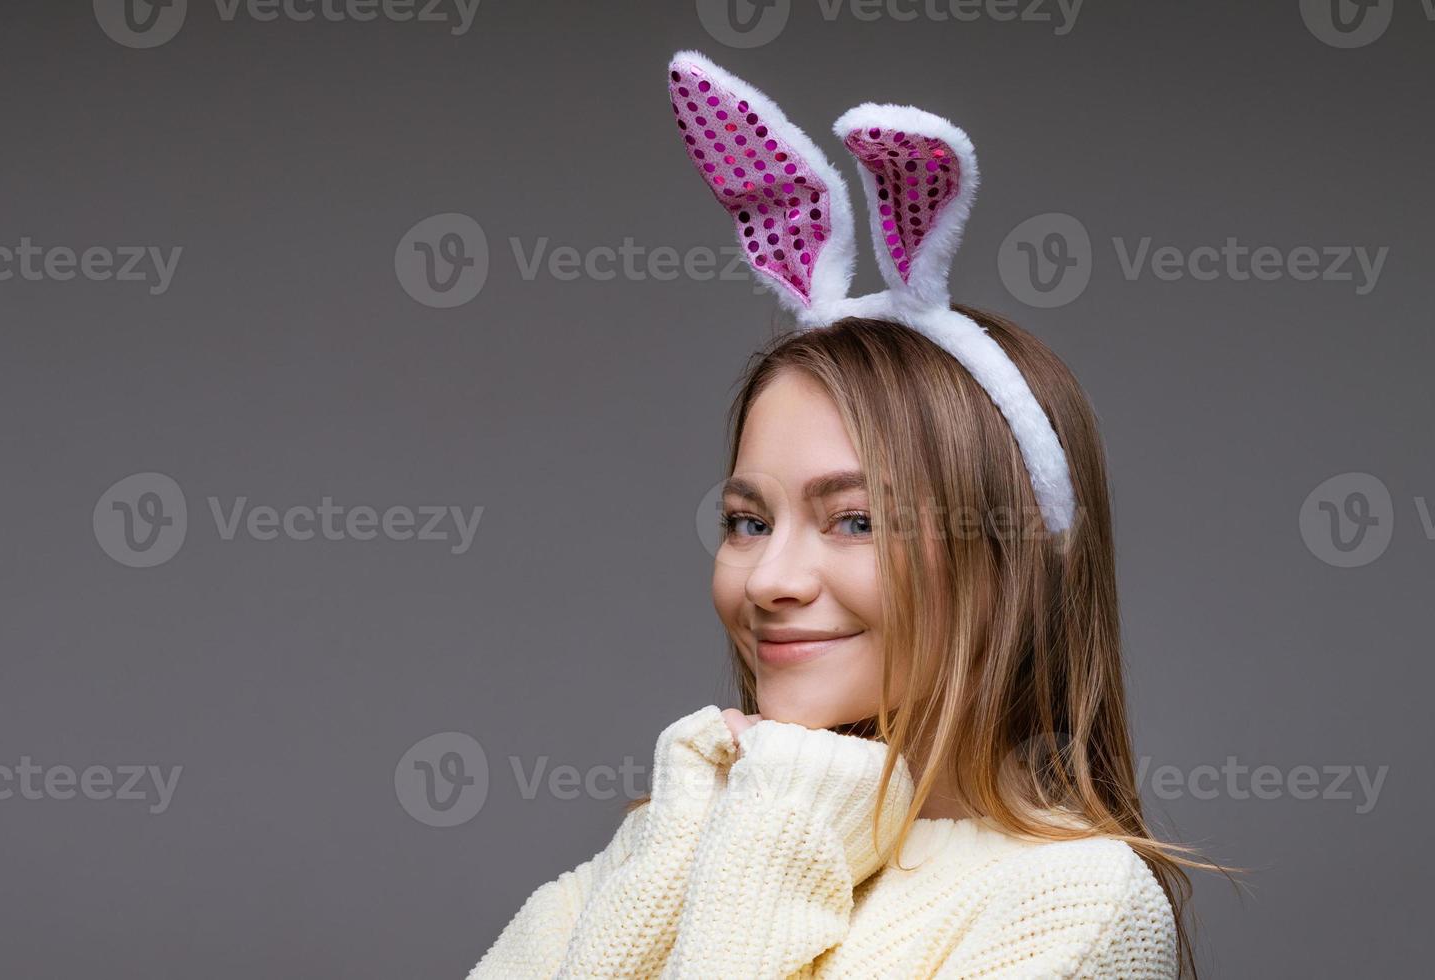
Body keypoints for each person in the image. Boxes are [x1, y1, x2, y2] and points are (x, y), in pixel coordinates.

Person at [465, 53, 1212, 979]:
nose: (771, 581)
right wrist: (716, 820)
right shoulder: (667, 841)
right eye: (746, 521)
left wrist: (776, 818)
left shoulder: (1076, 905)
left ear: (1011, 557)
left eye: (855, 521)